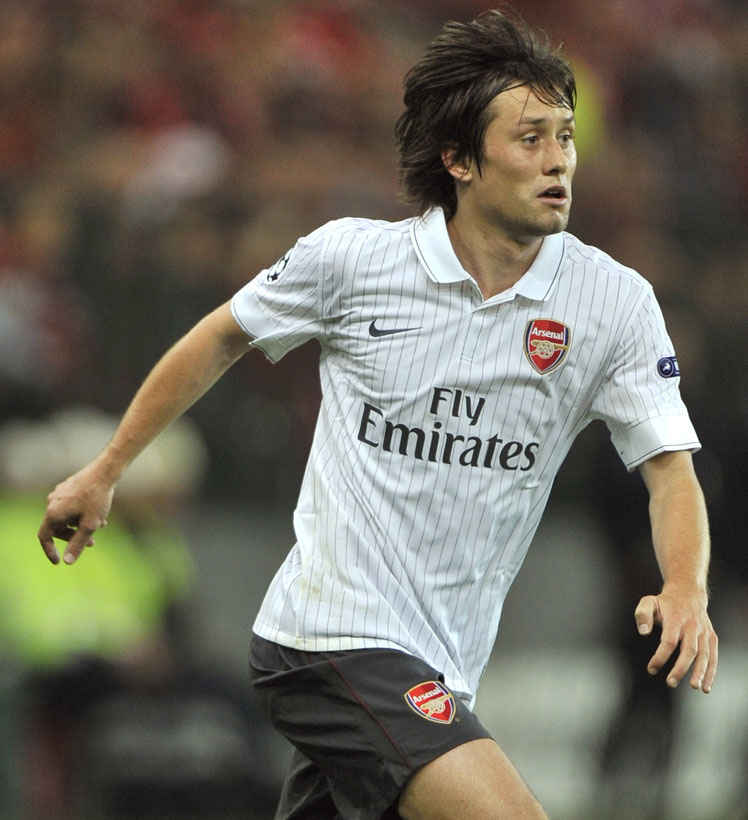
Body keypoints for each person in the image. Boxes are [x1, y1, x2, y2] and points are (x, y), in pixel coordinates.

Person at [38, 9, 718, 820]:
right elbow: (222, 336)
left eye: (565, 137)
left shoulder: (613, 303)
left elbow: (669, 468)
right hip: (329, 639)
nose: (558, 160)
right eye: (529, 138)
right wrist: (107, 469)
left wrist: (686, 586)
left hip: (443, 667)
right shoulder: (354, 261)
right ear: (458, 159)